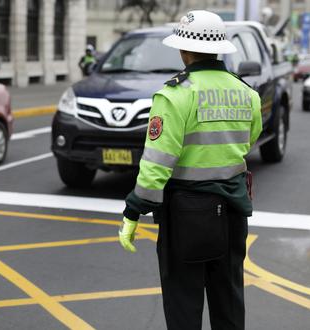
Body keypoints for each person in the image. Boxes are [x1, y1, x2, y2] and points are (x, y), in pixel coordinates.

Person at [118, 10, 262, 330]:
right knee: (229, 300)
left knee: (184, 303)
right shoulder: (246, 93)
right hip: (233, 212)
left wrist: (133, 209)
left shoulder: (176, 95)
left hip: (186, 217)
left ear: (184, 50)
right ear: (219, 48)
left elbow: (157, 163)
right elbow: (247, 142)